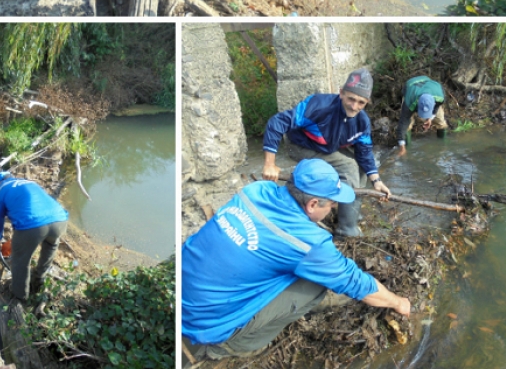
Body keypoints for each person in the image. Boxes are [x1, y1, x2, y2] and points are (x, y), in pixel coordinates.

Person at [182, 159, 411, 360]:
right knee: (315, 285)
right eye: (332, 204)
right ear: (312, 204)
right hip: (205, 325)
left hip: (182, 290)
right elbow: (355, 282)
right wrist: (397, 302)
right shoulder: (307, 243)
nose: (333, 210)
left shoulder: (256, 190)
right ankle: (229, 347)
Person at [262, 68, 391, 237]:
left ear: (367, 102)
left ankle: (350, 209)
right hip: (301, 145)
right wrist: (269, 163)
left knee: (360, 165)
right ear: (341, 93)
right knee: (348, 165)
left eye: (361, 102)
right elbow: (277, 122)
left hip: (327, 147)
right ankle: (347, 230)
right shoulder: (317, 105)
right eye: (351, 99)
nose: (354, 106)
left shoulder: (362, 121)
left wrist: (377, 180)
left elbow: (364, 151)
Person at [0, 172, 69, 300]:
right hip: (60, 219)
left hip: (33, 225)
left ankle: (20, 295)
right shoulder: (29, 182)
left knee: (21, 260)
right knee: (50, 245)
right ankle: (39, 278)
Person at [396, 76, 448, 153]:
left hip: (429, 84)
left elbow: (437, 106)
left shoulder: (440, 96)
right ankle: (406, 146)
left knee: (441, 121)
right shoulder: (409, 101)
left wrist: (430, 118)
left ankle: (443, 144)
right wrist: (401, 147)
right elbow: (403, 123)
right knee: (407, 126)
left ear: (433, 103)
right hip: (411, 87)